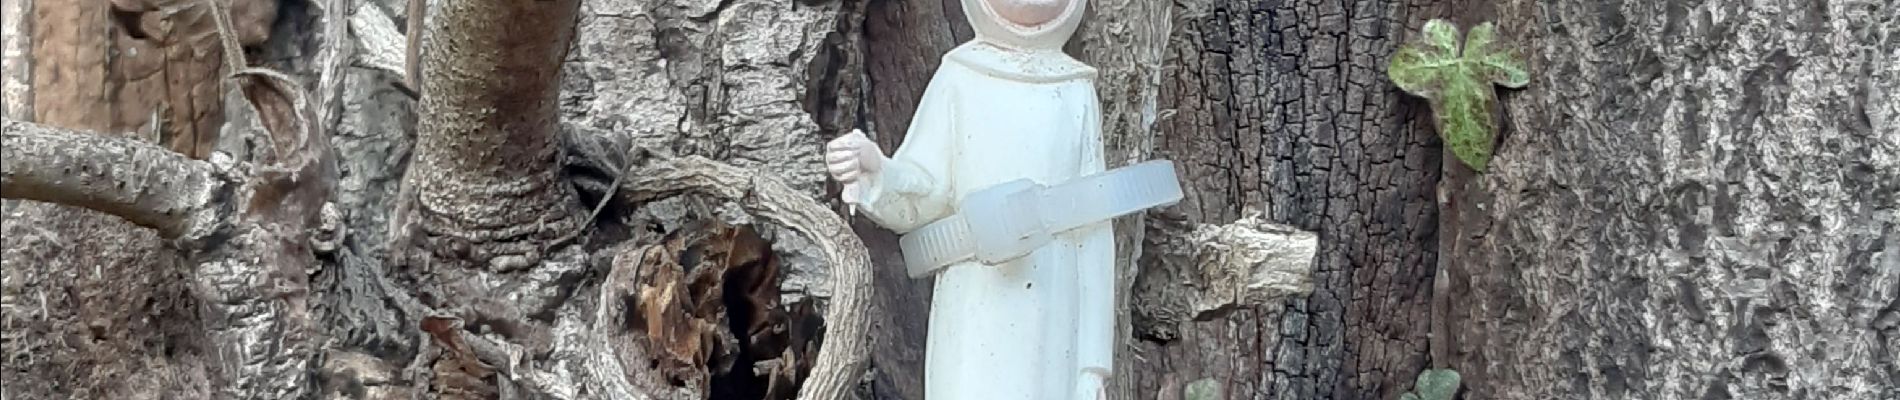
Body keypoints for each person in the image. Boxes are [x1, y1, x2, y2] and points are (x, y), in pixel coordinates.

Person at [824, 1, 1113, 398]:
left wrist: (1092, 364)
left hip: (1054, 305)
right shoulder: (960, 77)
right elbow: (926, 191)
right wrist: (877, 171)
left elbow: (1093, 230)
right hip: (974, 294)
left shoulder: (1076, 91)